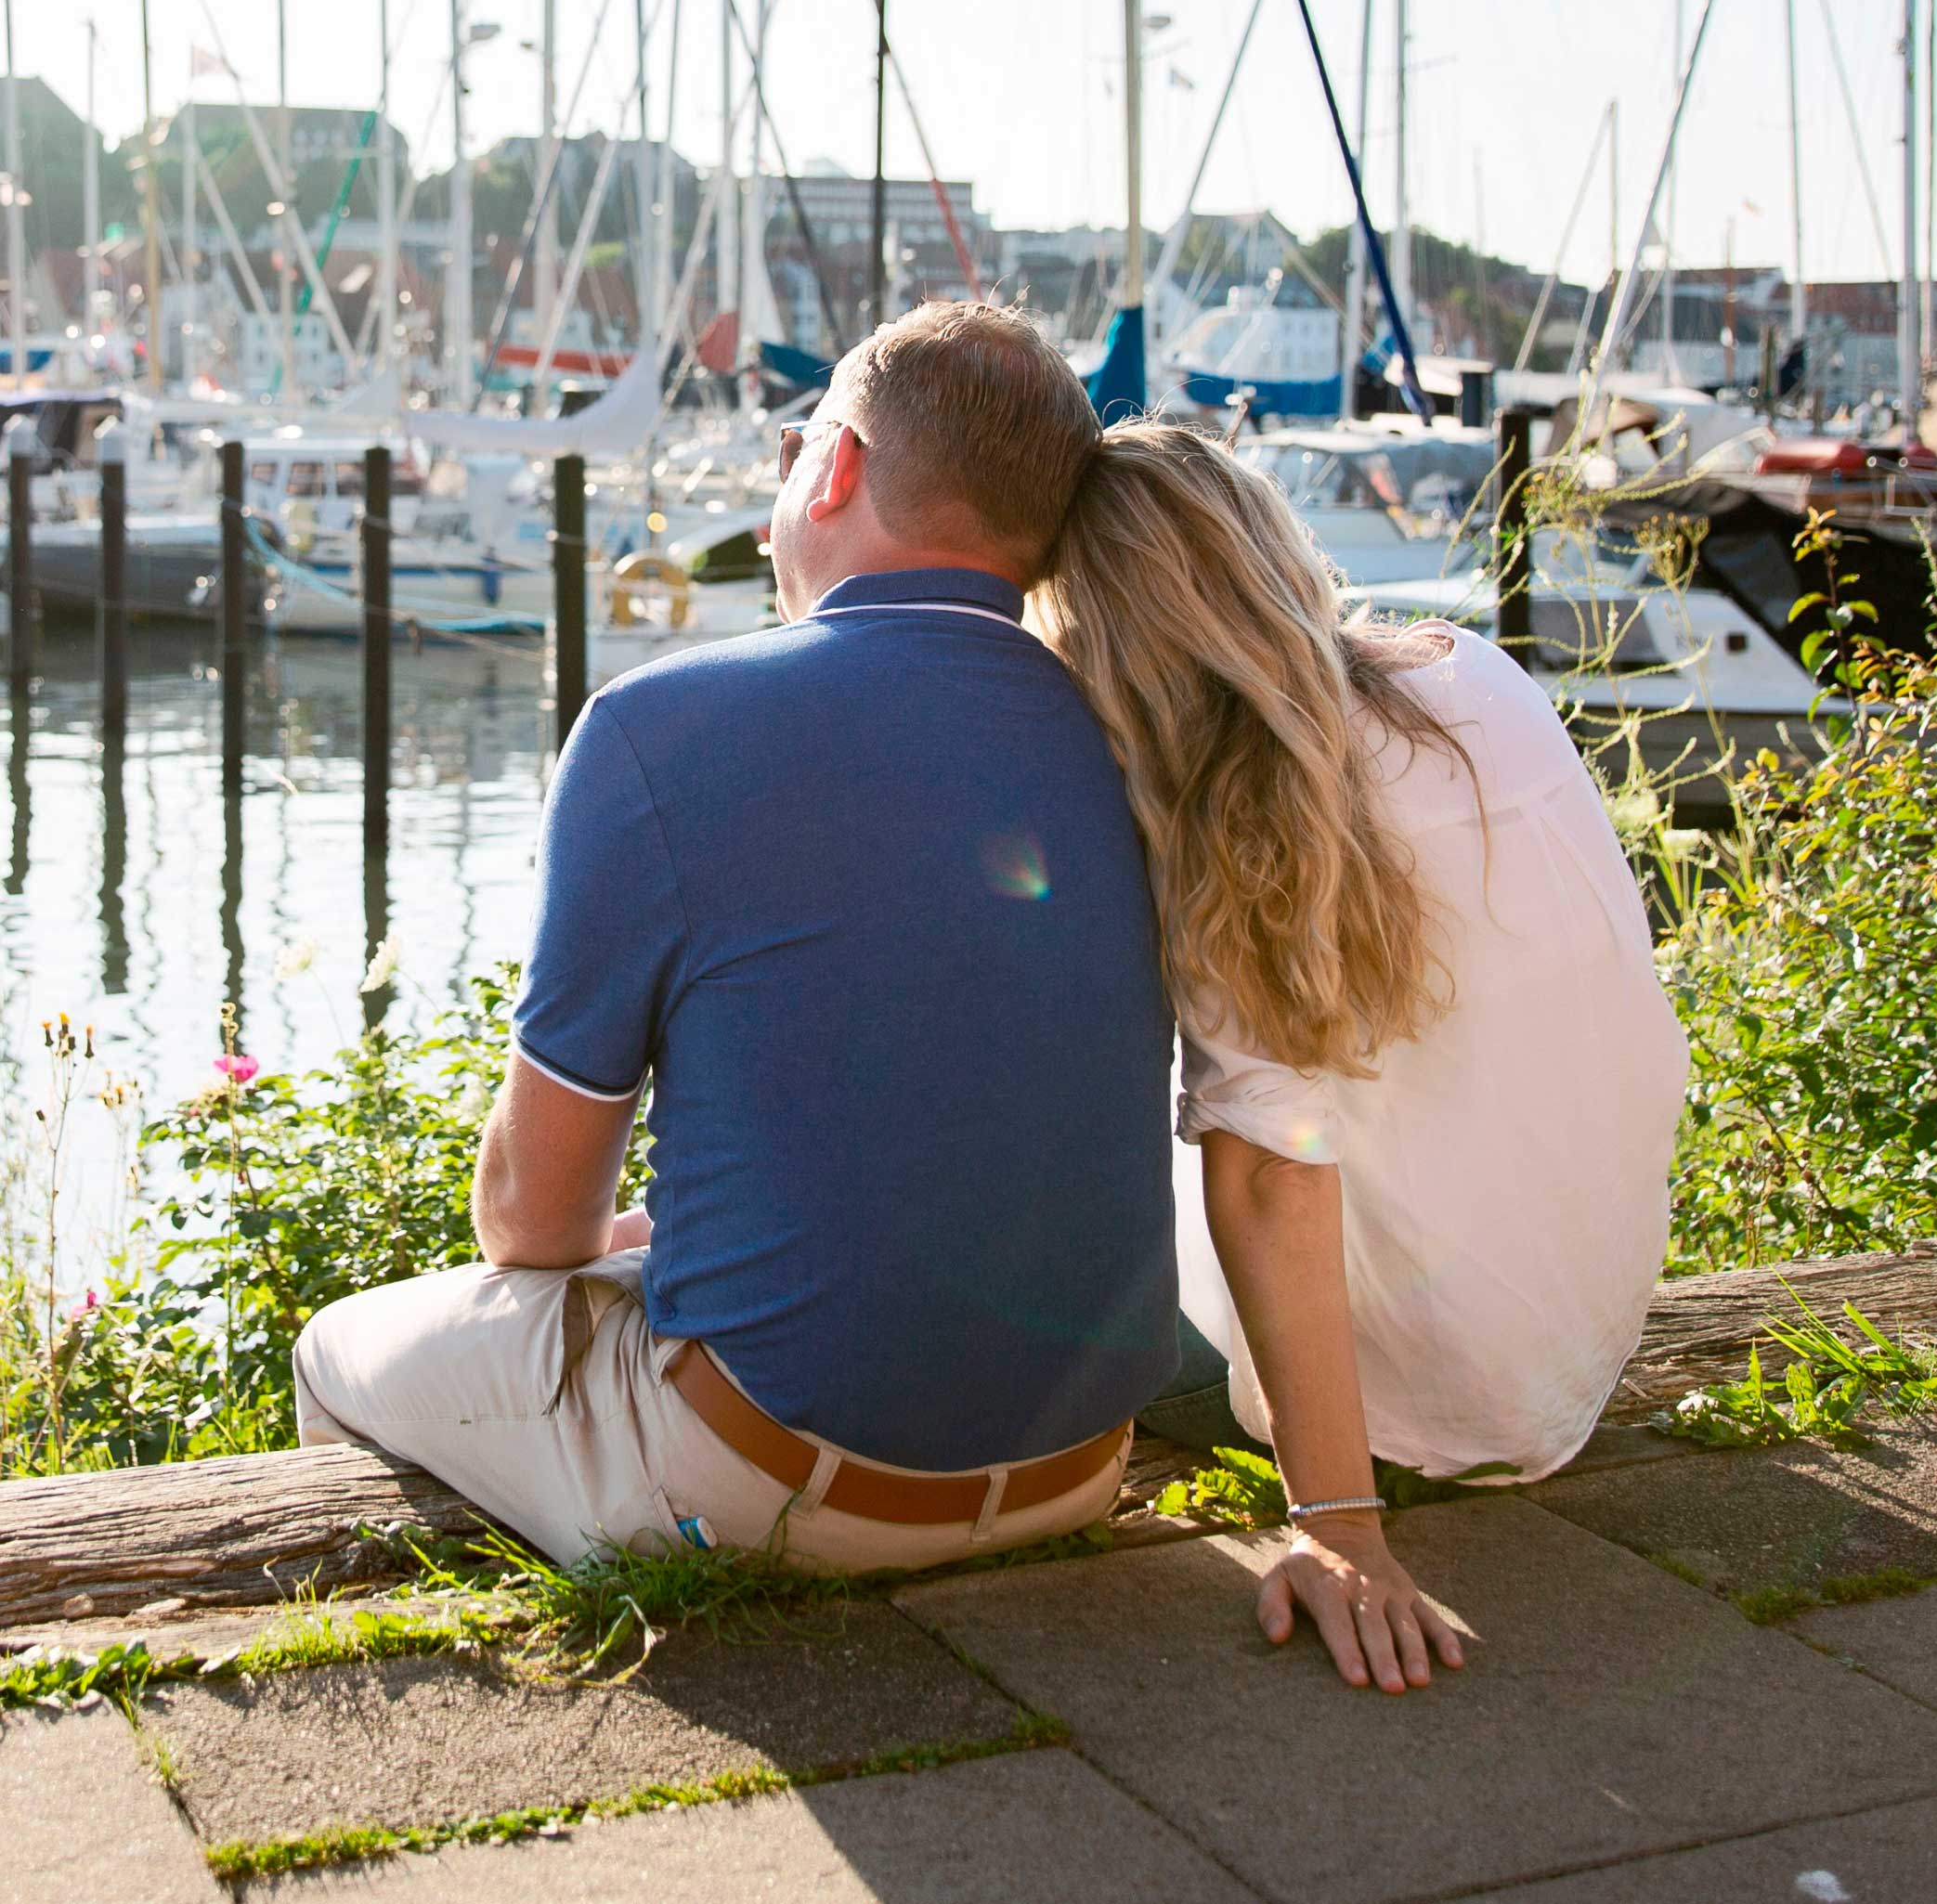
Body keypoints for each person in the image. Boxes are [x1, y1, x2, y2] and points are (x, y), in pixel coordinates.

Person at [292, 302, 1180, 1575]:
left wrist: (641, 1239)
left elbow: (530, 1225)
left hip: (776, 1495)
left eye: (794, 441)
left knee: (336, 1347)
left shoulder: (663, 727)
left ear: (840, 465)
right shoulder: (1134, 730)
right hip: (1080, 1465)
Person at [1030, 421, 1688, 1695]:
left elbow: (1275, 1179)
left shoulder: (1231, 820)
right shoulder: (1478, 677)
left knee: (1021, 1222)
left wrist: (1338, 1530)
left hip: (1434, 1402)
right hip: (1575, 1334)